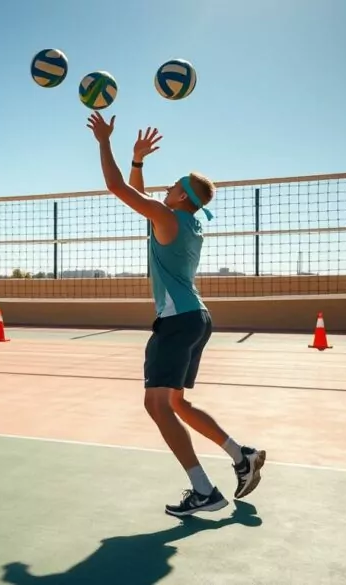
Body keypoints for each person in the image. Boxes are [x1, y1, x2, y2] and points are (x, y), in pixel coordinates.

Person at [86, 112, 266, 517]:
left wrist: (103, 141)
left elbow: (117, 189)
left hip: (177, 322)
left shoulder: (166, 216)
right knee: (177, 405)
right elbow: (139, 196)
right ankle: (243, 456)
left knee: (157, 406)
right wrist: (138, 161)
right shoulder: (182, 221)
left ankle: (205, 491)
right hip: (196, 319)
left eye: (171, 187)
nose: (165, 189)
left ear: (182, 196)